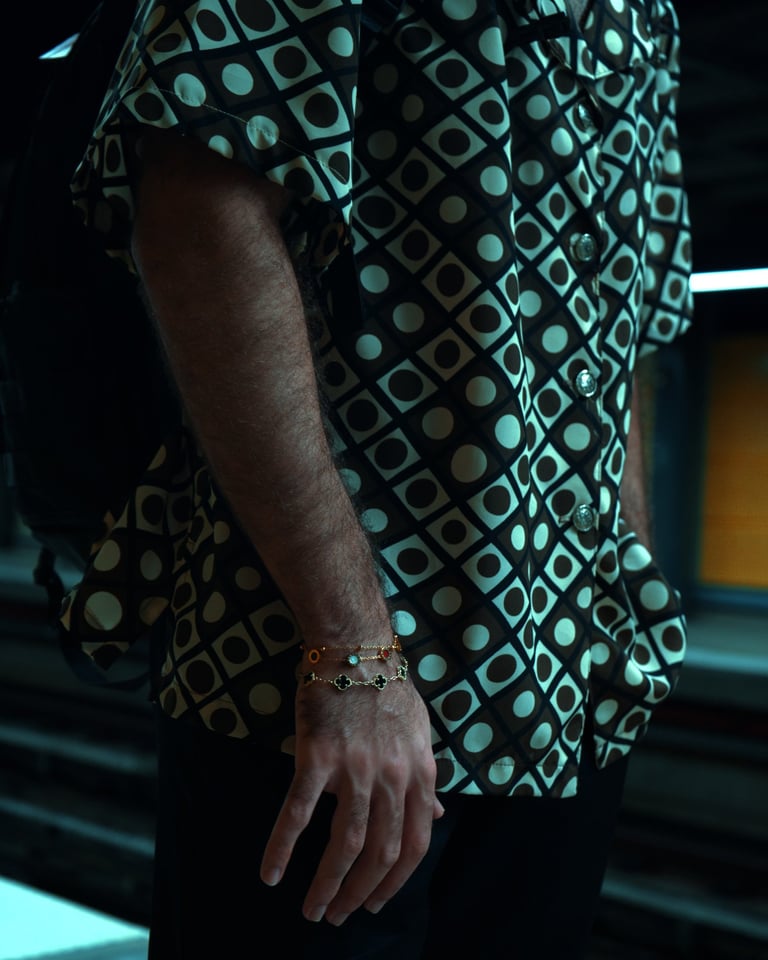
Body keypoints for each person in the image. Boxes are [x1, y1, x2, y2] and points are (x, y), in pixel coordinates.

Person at [62, 0, 693, 956]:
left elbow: (628, 316)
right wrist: (351, 651)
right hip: (310, 678)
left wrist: (623, 600)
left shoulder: (652, 12)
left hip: (566, 685)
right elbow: (198, 194)